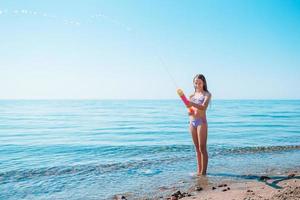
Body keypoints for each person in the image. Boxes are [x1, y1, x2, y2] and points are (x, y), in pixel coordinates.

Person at [188, 74, 211, 175]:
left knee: (202, 148)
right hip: (192, 123)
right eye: (196, 83)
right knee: (196, 149)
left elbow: (203, 107)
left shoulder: (207, 94)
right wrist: (190, 111)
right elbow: (190, 111)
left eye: (200, 83)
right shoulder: (191, 96)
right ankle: (199, 172)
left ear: (203, 83)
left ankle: (204, 173)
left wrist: (191, 104)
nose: (197, 85)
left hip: (201, 122)